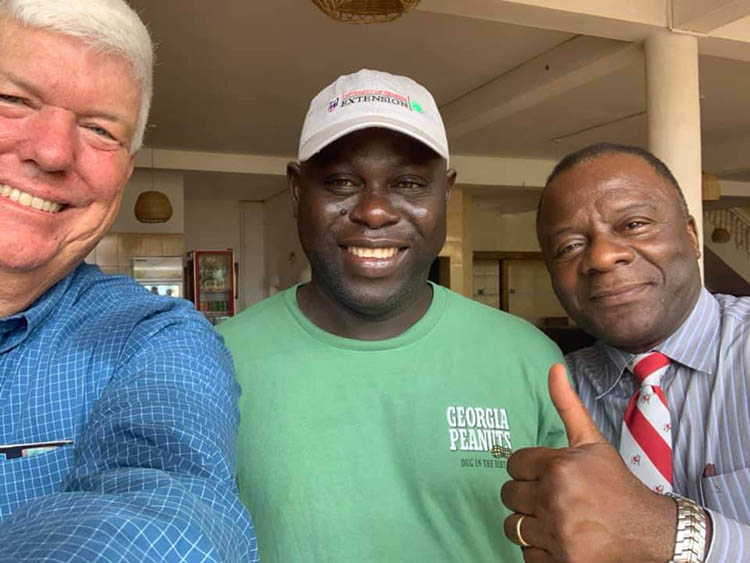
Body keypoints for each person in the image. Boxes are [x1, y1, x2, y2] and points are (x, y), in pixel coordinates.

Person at [218, 68, 566, 562]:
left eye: (407, 183)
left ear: (446, 193)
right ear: (298, 191)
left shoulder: (531, 359)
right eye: (341, 182)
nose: (375, 211)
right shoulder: (217, 360)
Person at [0, 1, 257, 560]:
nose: (52, 152)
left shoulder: (154, 337)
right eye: (13, 100)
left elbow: (172, 506)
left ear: (126, 170)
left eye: (99, 129)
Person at [501, 142, 749, 562]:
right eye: (569, 247)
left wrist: (668, 533)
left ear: (691, 235)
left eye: (633, 224)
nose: (601, 256)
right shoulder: (551, 392)